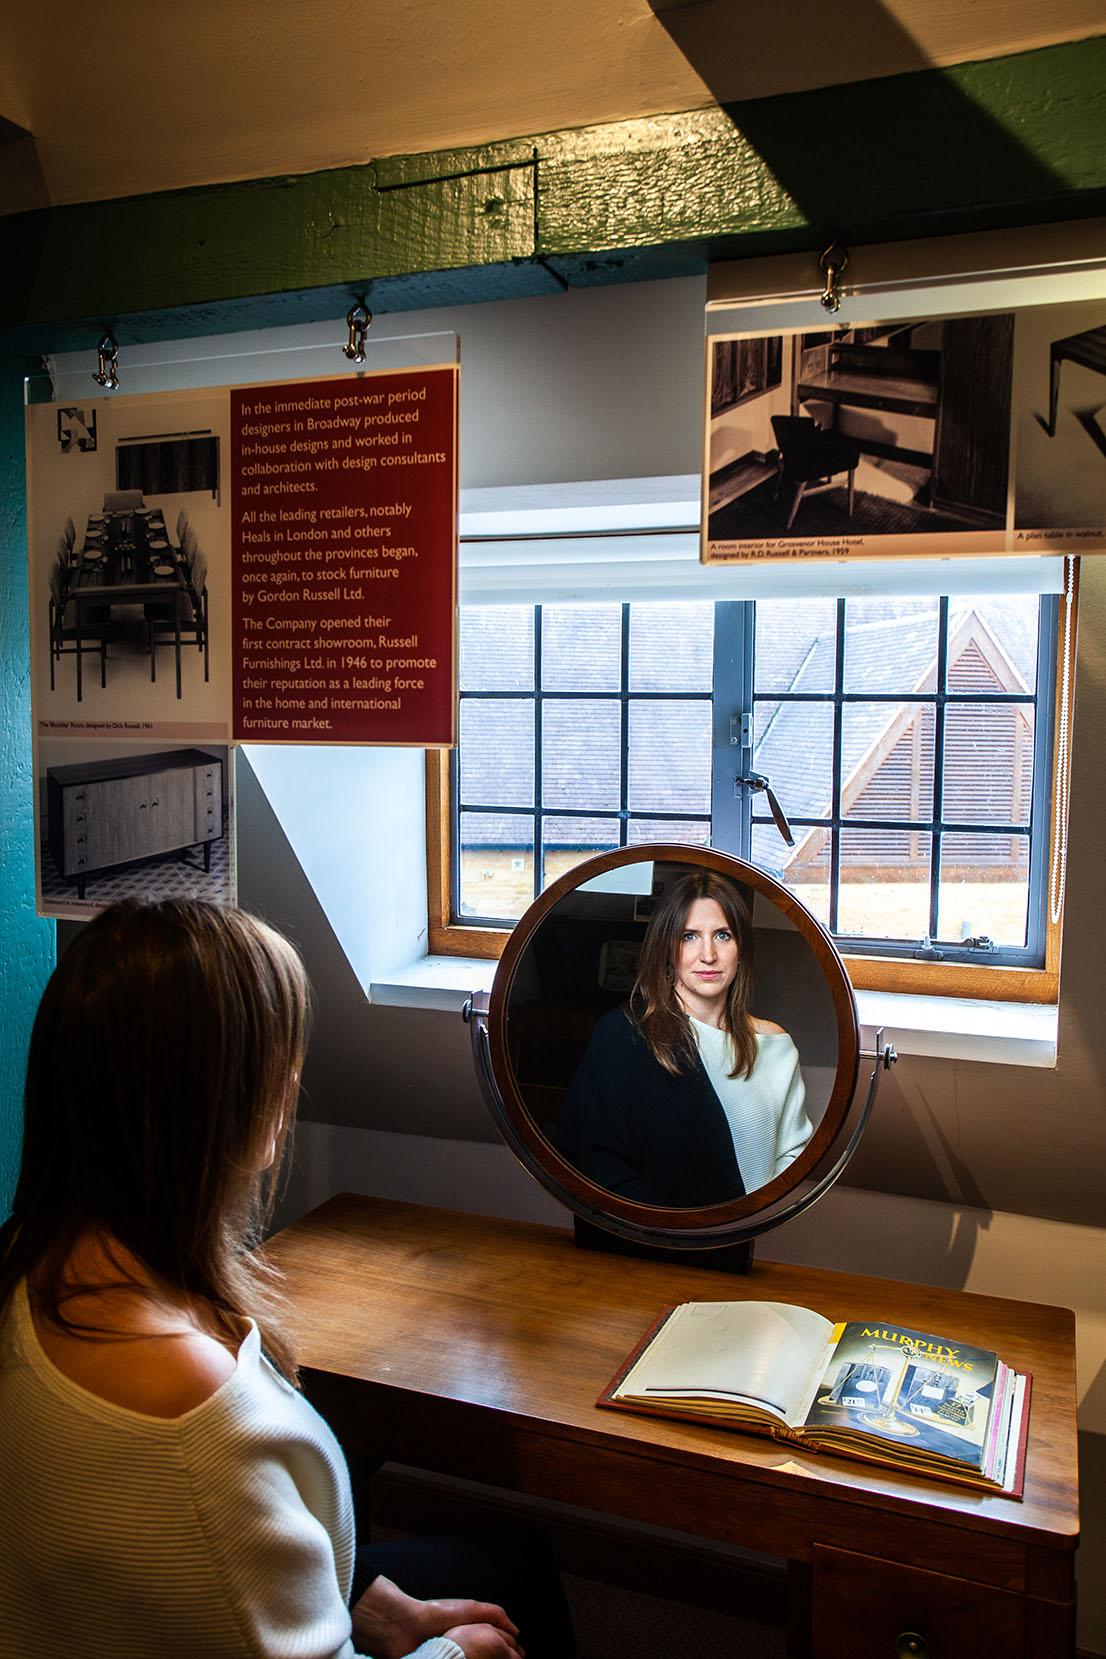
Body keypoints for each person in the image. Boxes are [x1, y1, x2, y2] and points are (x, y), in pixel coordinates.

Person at [0, 899, 575, 1659]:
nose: (295, 1077)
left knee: (516, 1559)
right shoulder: (195, 1416)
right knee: (515, 1593)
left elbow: (212, 1556)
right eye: (280, 1058)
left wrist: (366, 1600)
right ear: (220, 1103)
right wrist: (454, 1655)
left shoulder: (35, 1267)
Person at [557, 872, 812, 1206]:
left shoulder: (776, 1046)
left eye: (723, 935)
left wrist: (747, 1222)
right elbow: (594, 1160)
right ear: (666, 948)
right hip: (643, 1245)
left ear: (741, 949)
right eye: (689, 936)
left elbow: (793, 1155)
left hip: (744, 1241)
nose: (708, 955)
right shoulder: (622, 1037)